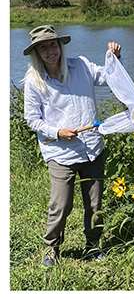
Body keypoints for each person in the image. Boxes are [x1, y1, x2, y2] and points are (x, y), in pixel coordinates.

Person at [22, 25, 121, 266]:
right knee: (61, 204)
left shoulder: (83, 66)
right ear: (36, 52)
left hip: (92, 148)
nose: (50, 51)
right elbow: (32, 119)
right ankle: (51, 247)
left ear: (60, 45)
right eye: (43, 47)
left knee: (95, 203)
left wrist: (115, 60)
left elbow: (108, 77)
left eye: (53, 44)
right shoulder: (33, 82)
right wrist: (57, 132)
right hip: (60, 153)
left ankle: (93, 246)